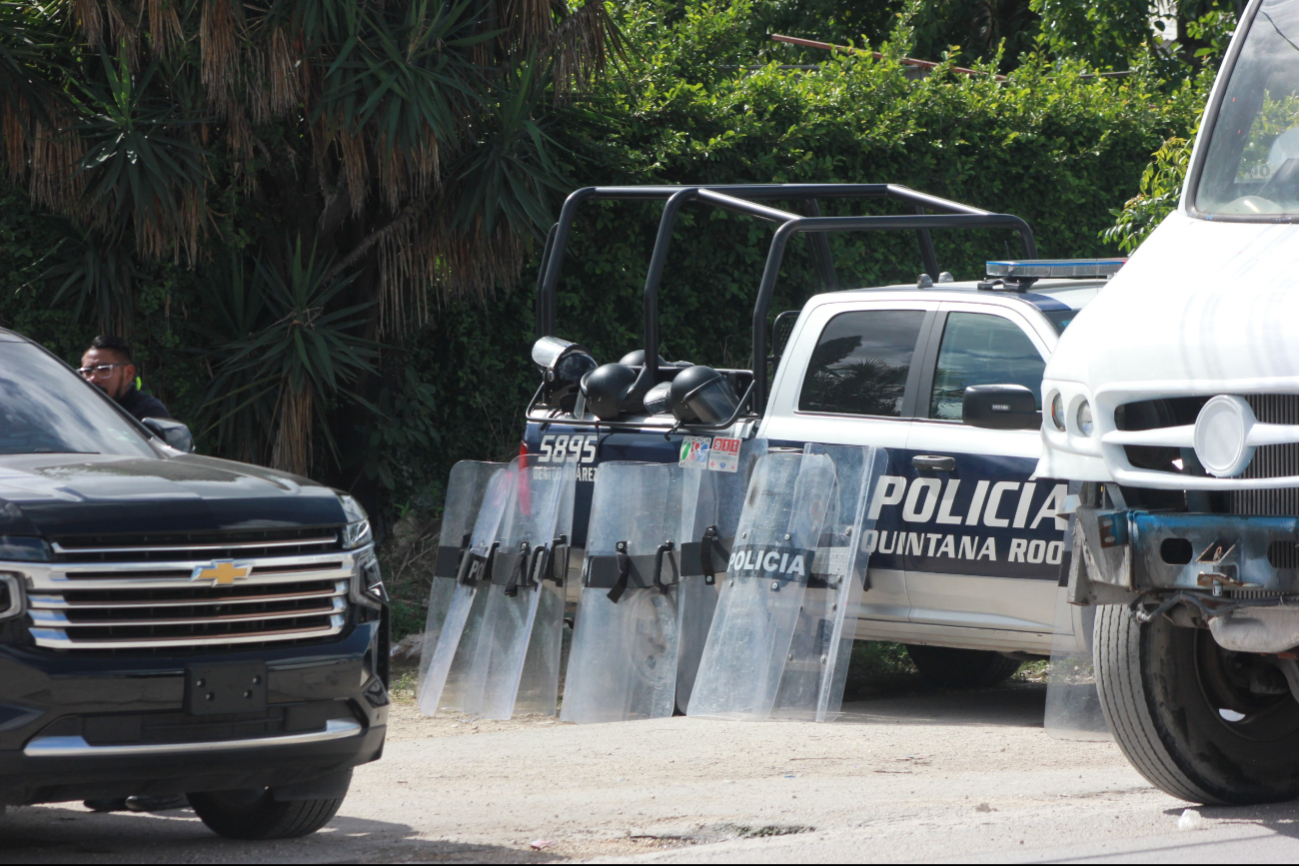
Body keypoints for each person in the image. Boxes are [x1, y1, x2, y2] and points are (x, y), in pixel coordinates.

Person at [78, 335, 172, 422]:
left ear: (129, 373)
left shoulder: (148, 414)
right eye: (87, 371)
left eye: (104, 369)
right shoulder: (75, 408)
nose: (93, 379)